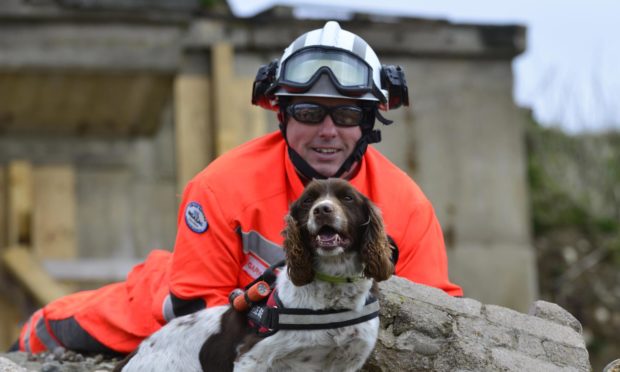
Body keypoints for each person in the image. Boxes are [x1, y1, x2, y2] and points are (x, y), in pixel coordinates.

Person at [15, 21, 462, 354]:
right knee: (50, 340)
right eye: (309, 112)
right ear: (281, 116)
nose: (328, 131)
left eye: (345, 116)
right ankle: (39, 333)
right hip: (168, 314)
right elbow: (199, 321)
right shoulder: (222, 186)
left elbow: (438, 321)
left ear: (368, 123)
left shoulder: (406, 207)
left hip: (301, 336)